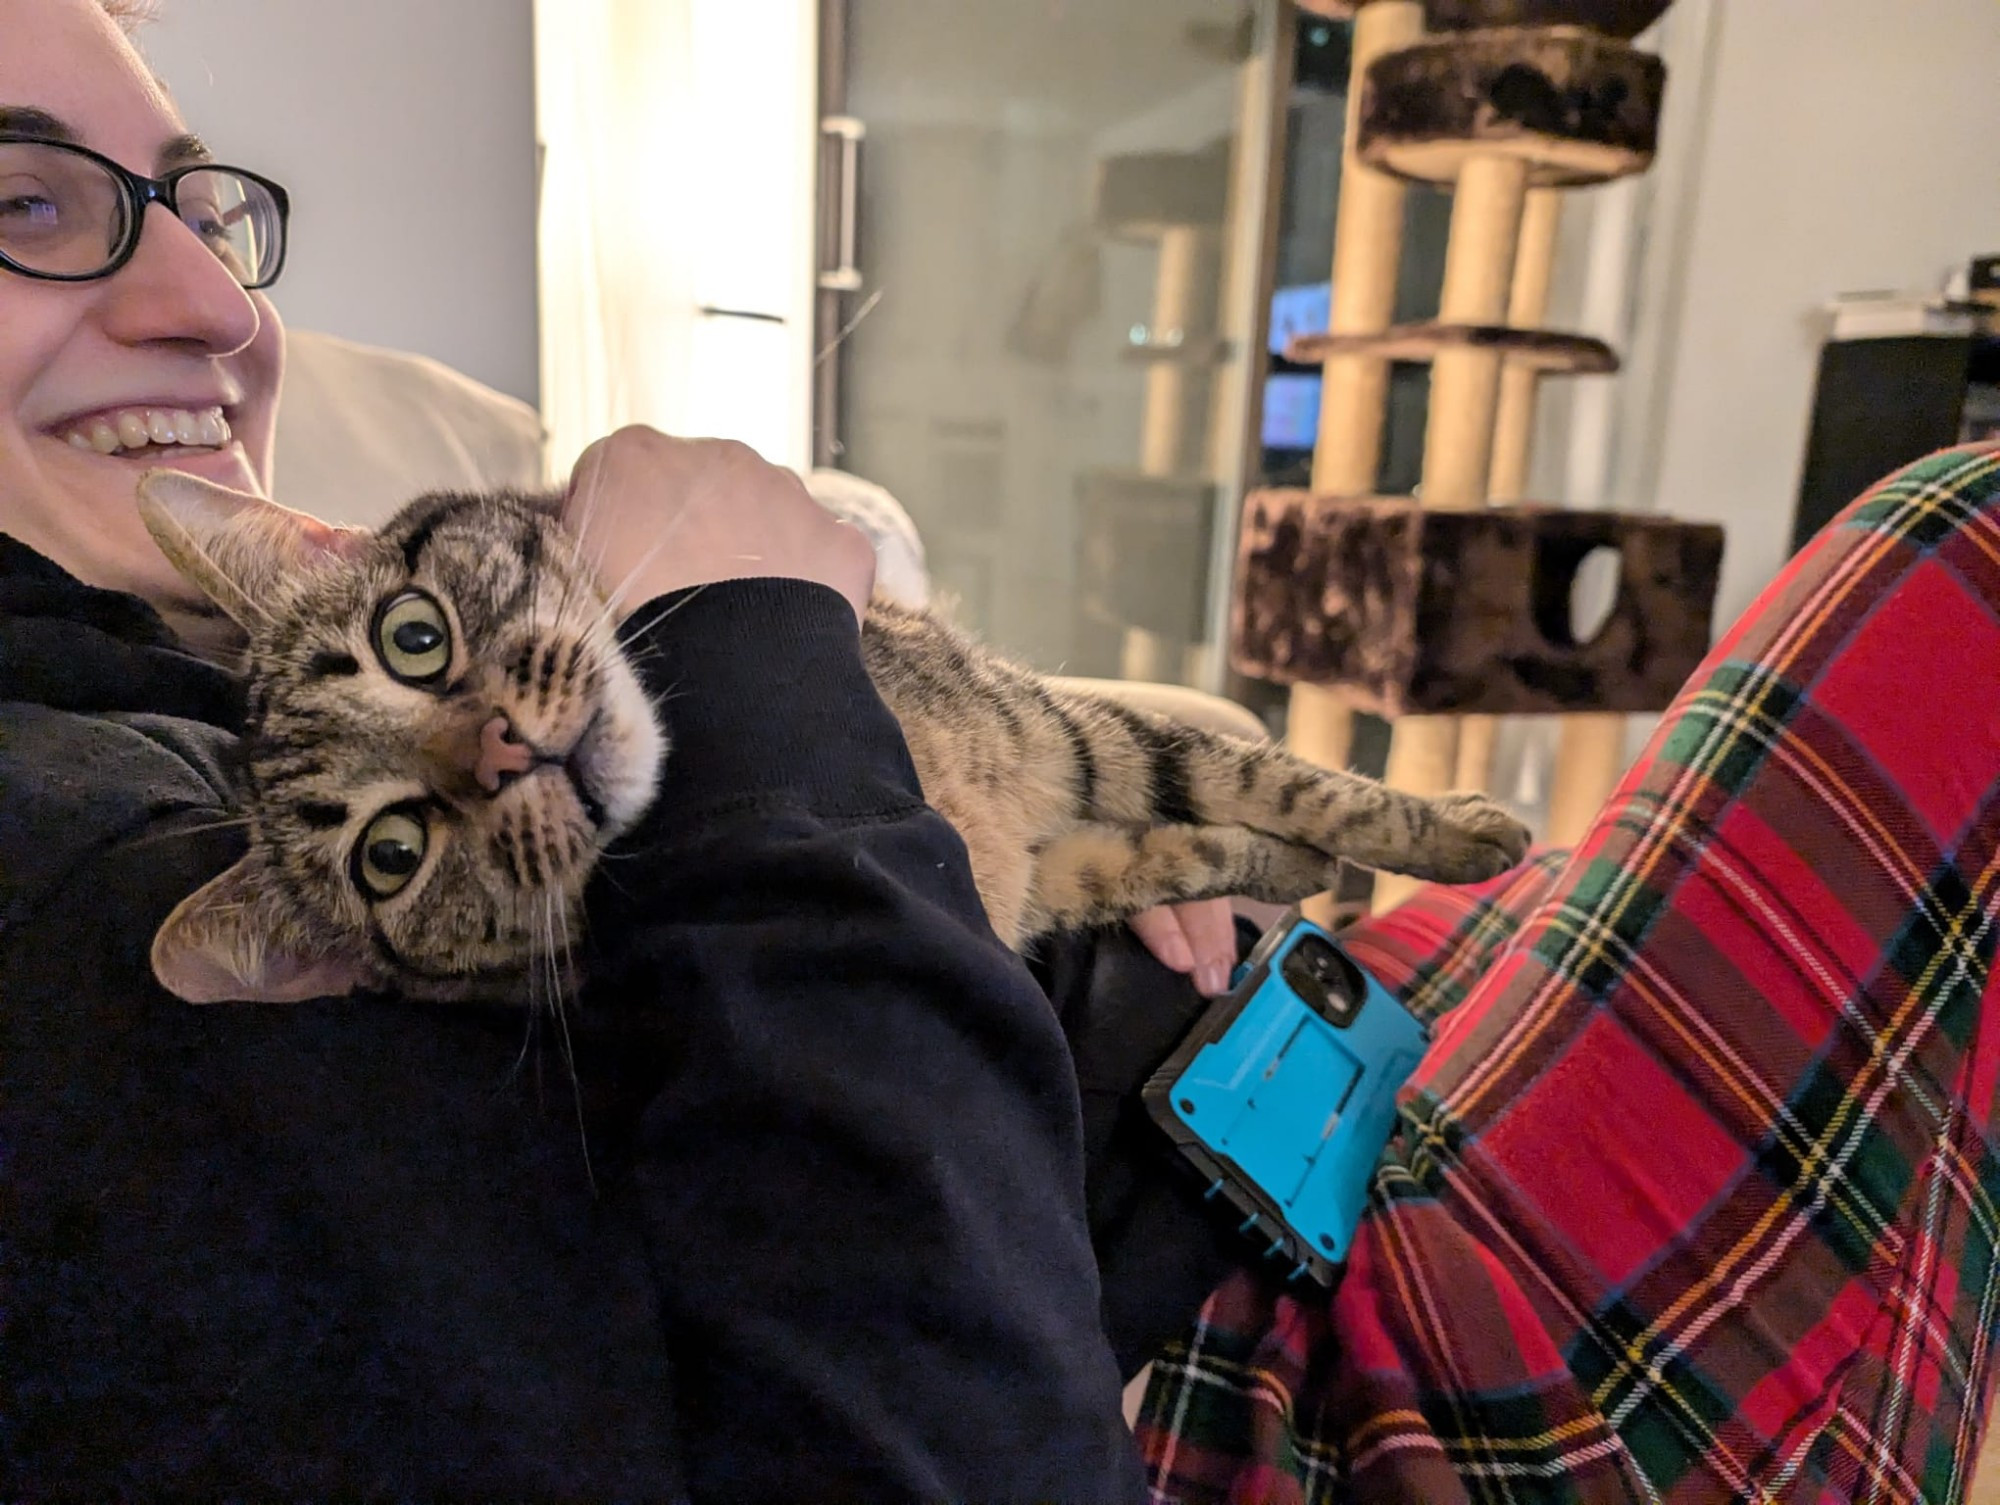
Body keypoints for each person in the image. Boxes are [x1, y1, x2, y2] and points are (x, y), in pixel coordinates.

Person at [9, 3, 2000, 1502]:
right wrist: (751, 652)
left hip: (1268, 1107)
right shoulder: (86, 885)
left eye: (197, 200)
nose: (205, 300)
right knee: (1961, 560)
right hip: (1302, 1366)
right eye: (26, 209)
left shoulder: (161, 648)